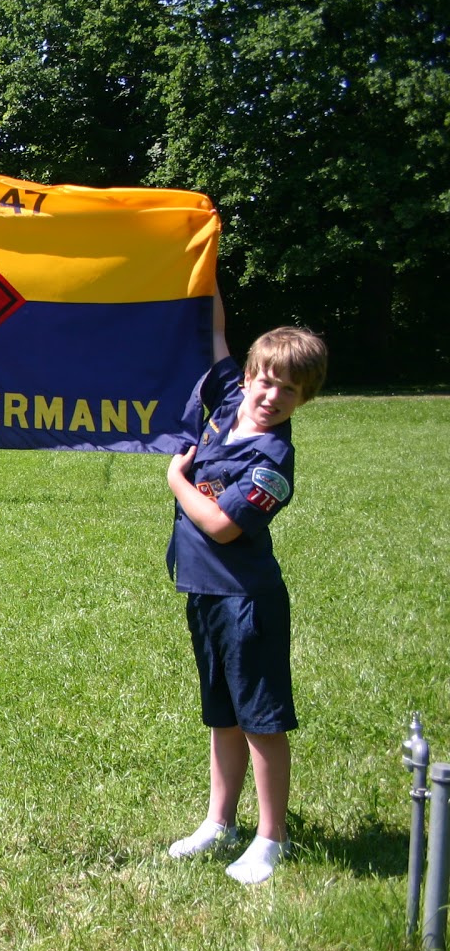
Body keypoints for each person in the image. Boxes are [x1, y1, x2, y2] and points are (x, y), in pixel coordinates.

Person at [163, 291, 329, 885]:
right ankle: (219, 822)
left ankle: (270, 837)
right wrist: (203, 265)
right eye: (265, 380)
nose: (270, 395)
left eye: (288, 390)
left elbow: (222, 525)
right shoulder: (231, 398)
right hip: (204, 593)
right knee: (223, 715)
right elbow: (216, 338)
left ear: (304, 398)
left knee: (260, 719)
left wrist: (176, 478)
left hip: (246, 600)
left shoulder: (272, 460)